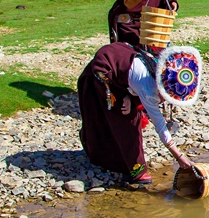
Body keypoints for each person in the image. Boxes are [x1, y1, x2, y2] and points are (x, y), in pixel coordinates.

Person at [77, 43, 197, 186]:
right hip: (105, 70)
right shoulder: (148, 89)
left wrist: (130, 97)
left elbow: (134, 86)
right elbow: (160, 126)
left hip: (122, 65)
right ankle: (134, 171)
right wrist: (179, 156)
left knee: (129, 108)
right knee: (126, 120)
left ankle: (111, 156)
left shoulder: (158, 71)